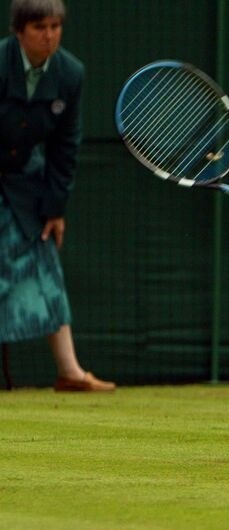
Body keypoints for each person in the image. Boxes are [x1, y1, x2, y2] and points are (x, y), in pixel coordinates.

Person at [0, 0, 114, 391]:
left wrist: (54, 208)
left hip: (25, 182)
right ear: (19, 31)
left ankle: (70, 372)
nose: (49, 36)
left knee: (46, 265)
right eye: (39, 27)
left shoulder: (70, 72)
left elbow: (65, 145)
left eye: (55, 26)